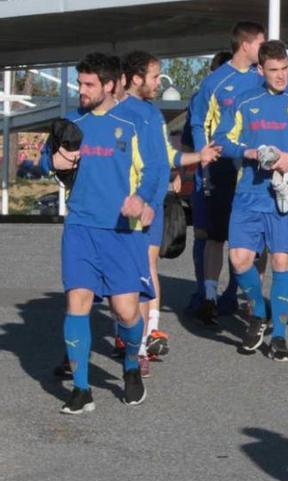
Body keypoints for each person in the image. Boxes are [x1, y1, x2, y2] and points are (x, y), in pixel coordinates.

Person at [48, 52, 161, 414]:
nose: (81, 90)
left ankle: (130, 365)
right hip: (80, 227)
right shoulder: (71, 121)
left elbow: (156, 169)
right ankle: (81, 390)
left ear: (110, 85)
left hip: (122, 231)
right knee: (77, 302)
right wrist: (55, 160)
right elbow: (51, 158)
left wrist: (141, 199)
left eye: (88, 84)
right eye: (79, 83)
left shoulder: (137, 120)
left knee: (126, 312)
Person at [214, 40, 288, 358]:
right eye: (274, 70)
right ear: (260, 69)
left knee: (281, 261)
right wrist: (249, 152)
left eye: (285, 69)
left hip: (286, 196)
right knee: (239, 260)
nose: (281, 76)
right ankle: (260, 313)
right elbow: (222, 140)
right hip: (249, 193)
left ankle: (279, 337)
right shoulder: (243, 101)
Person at [119, 50, 222, 376]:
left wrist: (197, 156)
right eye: (153, 76)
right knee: (126, 271)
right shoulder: (118, 113)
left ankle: (148, 335)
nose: (158, 83)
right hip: (126, 204)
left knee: (148, 267)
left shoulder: (153, 114)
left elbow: (166, 156)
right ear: (136, 78)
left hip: (154, 203)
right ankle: (127, 332)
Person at [190, 21, 266, 326]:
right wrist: (203, 157)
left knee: (255, 240)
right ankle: (209, 297)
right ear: (246, 45)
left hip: (254, 170)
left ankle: (252, 302)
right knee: (215, 235)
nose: (264, 48)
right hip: (221, 169)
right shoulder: (216, 82)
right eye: (262, 42)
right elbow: (198, 122)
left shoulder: (264, 78)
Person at [185, 50, 233, 312]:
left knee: (238, 241)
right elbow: (188, 139)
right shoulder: (201, 98)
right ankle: (205, 294)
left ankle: (232, 294)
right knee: (205, 236)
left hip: (234, 175)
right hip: (207, 178)